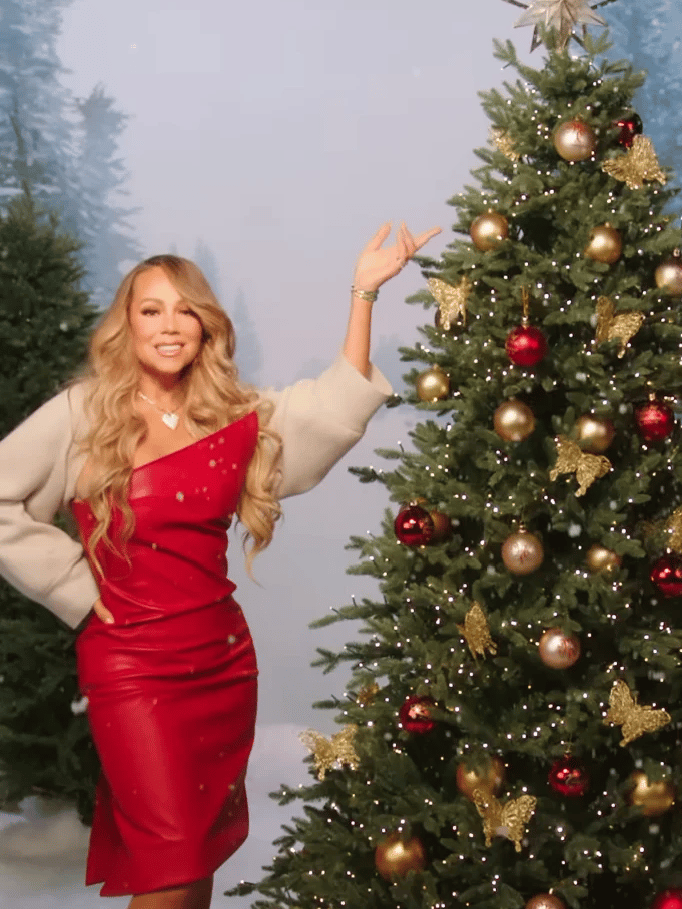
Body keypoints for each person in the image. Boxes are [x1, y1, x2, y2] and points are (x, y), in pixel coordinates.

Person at [0, 221, 440, 909]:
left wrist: (363, 293)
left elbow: (331, 406)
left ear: (207, 327)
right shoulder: (85, 413)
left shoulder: (234, 414)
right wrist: (74, 587)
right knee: (170, 863)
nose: (170, 326)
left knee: (196, 858)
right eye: (151, 310)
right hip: (131, 664)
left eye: (186, 311)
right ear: (127, 324)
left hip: (221, 659)